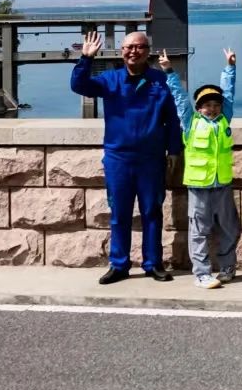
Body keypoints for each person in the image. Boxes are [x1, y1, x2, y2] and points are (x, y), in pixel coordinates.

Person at [71, 29, 180, 285]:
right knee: (119, 213)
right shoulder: (110, 79)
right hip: (118, 158)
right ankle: (119, 265)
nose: (134, 51)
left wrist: (174, 150)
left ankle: (153, 264)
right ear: (122, 52)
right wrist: (86, 59)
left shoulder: (160, 80)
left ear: (148, 52)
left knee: (152, 212)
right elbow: (79, 85)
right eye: (129, 47)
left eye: (139, 47)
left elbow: (173, 119)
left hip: (151, 159)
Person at [166, 47, 239, 290]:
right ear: (198, 107)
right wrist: (169, 72)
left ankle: (228, 267)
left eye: (216, 104)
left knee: (229, 229)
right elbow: (180, 98)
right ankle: (202, 273)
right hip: (198, 186)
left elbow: (228, 93)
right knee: (199, 231)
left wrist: (230, 68)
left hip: (222, 185)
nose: (213, 108)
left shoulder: (225, 119)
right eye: (207, 105)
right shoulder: (190, 122)